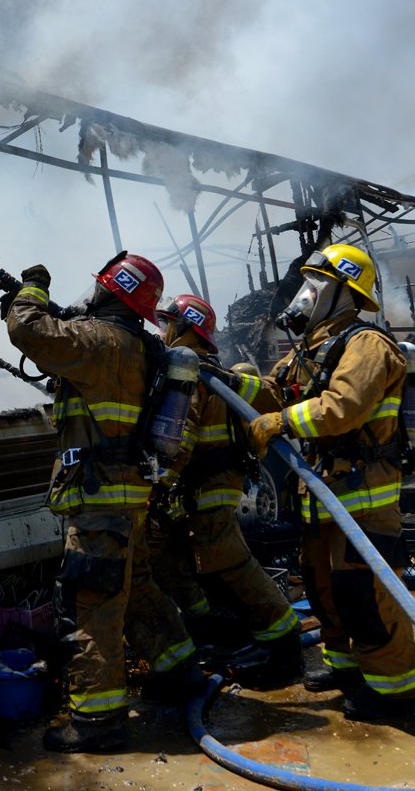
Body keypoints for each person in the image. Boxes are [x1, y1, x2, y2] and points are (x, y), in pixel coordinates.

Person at [5, 252, 205, 753]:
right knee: (135, 587)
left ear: (111, 290)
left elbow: (27, 329)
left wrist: (31, 288)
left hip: (98, 499)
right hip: (132, 495)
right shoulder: (143, 346)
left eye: (97, 288)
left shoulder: (98, 342)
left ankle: (98, 722)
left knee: (90, 608)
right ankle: (181, 671)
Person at [248, 243, 415, 721]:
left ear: (344, 293)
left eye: (315, 285)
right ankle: (347, 669)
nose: (304, 295)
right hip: (324, 494)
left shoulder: (366, 344)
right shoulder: (311, 349)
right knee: (326, 591)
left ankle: (393, 689)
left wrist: (282, 423)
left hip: (363, 496)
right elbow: (272, 391)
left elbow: (341, 407)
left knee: (365, 594)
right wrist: (231, 380)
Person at [146, 294, 302, 688]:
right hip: (204, 487)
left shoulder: (189, 372)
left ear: (183, 328)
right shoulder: (201, 368)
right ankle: (210, 628)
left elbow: (180, 435)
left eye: (168, 324)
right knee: (173, 558)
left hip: (209, 488)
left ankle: (284, 645)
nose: (163, 331)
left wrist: (157, 484)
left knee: (232, 567)